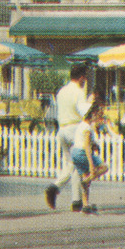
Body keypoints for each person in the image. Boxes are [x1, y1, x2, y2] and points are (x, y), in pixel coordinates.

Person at [44, 63, 91, 211]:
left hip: (62, 129)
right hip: (74, 128)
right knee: (78, 163)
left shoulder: (61, 91)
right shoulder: (78, 91)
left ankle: (76, 200)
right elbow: (84, 111)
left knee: (71, 163)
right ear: (82, 77)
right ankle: (56, 187)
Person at [70, 100, 110, 214]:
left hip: (75, 153)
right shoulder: (87, 128)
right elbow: (86, 146)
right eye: (96, 115)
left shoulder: (81, 125)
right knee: (103, 167)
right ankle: (85, 180)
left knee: (85, 176)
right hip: (82, 153)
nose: (97, 118)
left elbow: (83, 141)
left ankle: (85, 204)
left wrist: (94, 144)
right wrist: (92, 165)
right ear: (91, 114)